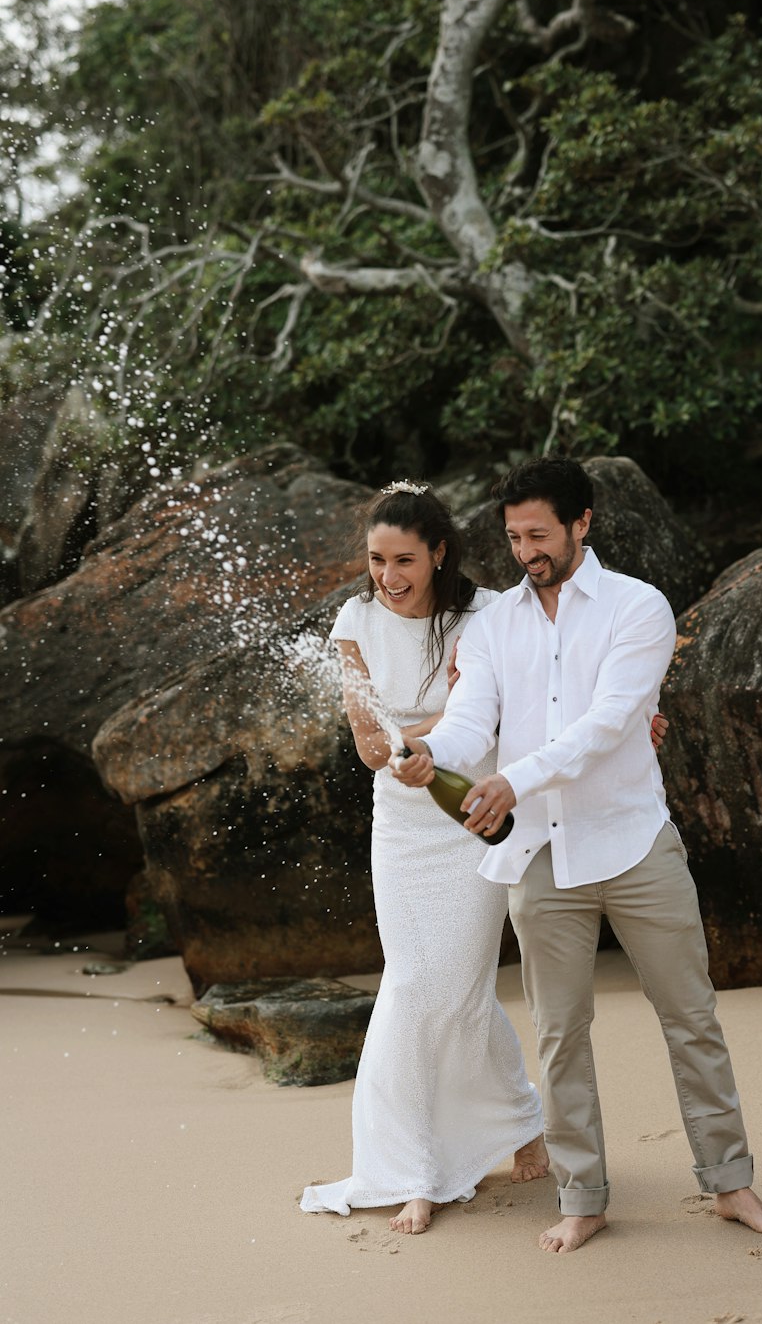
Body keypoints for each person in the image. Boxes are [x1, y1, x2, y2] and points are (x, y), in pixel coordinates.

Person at [394, 456, 762, 1253]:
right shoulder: (493, 624)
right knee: (559, 1033)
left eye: (539, 533)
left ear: (583, 522)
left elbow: (614, 721)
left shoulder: (637, 607)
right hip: (539, 859)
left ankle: (730, 1181)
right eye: (512, 537)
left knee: (691, 1018)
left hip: (634, 841)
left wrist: (515, 777)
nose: (524, 551)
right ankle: (583, 1196)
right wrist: (428, 750)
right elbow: (473, 720)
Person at [299, 481, 547, 1235]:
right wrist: (405, 746)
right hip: (401, 827)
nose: (388, 574)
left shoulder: (488, 614)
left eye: (403, 558)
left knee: (456, 988)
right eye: (376, 559)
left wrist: (426, 741)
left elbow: (495, 703)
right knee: (415, 983)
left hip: (473, 814)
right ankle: (428, 1161)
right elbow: (370, 743)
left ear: (438, 551)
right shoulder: (355, 620)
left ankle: (456, 1153)